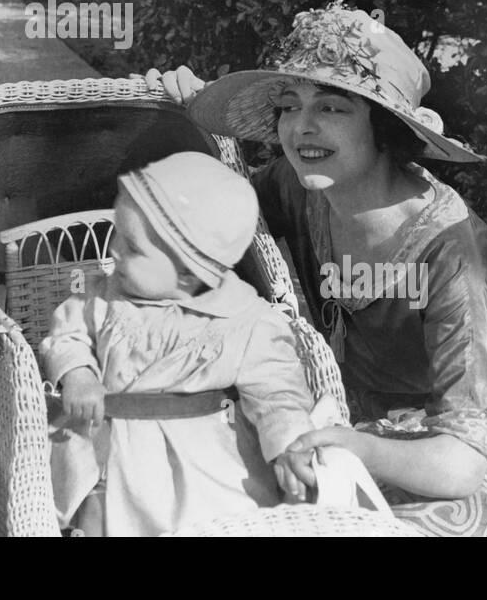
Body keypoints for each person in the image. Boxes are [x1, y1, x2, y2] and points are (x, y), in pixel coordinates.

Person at [147, 3, 487, 536]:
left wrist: (355, 446)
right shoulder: (296, 184)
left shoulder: (455, 258)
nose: (302, 128)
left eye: (333, 108)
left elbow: (461, 464)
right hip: (362, 398)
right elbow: (213, 212)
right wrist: (177, 119)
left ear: (384, 127)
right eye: (289, 106)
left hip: (477, 428)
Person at [40, 151, 319, 537]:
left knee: (219, 517)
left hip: (204, 456)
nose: (114, 250)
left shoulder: (246, 322)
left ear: (189, 272)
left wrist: (288, 445)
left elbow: (277, 396)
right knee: (96, 513)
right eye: (117, 232)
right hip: (109, 444)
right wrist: (79, 373)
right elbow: (66, 335)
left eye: (133, 247)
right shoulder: (100, 298)